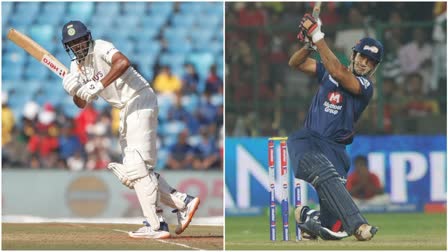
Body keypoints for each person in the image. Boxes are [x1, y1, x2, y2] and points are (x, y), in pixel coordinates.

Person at [60, 21, 200, 239]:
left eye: (80, 40)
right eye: (73, 43)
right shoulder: (75, 68)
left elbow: (123, 62)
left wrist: (98, 84)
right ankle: (183, 202)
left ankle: (156, 225)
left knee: (135, 166)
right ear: (68, 47)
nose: (78, 46)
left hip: (139, 98)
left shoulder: (100, 47)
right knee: (135, 172)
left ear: (88, 37)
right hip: (125, 109)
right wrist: (74, 91)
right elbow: (82, 103)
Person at [287, 13, 383, 241]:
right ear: (354, 54)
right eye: (362, 57)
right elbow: (295, 63)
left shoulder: (365, 86)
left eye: (370, 62)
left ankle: (308, 219)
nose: (364, 63)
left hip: (336, 151)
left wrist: (318, 36)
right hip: (308, 141)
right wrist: (309, 45)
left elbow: (339, 73)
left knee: (334, 230)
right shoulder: (327, 72)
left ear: (374, 67)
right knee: (324, 171)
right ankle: (359, 226)